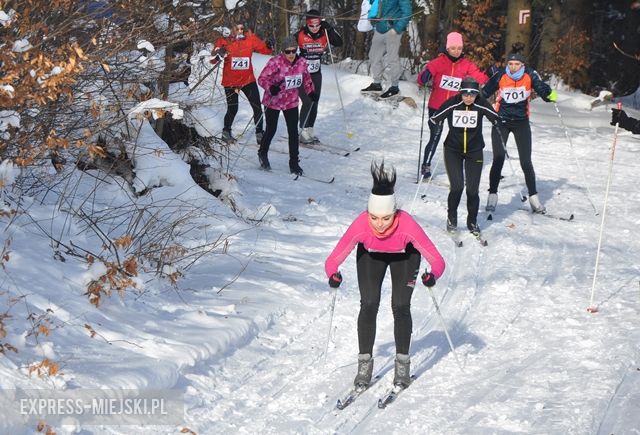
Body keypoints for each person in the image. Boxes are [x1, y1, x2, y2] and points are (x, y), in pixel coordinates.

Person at [324, 161, 446, 389]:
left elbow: (437, 260)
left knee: (400, 306)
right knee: (369, 303)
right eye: (374, 218)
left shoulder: (407, 225)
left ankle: (402, 365)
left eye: (386, 218)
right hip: (371, 256)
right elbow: (332, 259)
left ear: (394, 213)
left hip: (405, 257)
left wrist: (433, 275)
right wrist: (333, 274)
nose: (379, 224)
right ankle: (364, 364)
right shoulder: (361, 225)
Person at [480, 43, 557, 214]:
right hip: (501, 122)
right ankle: (492, 195)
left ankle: (534, 198)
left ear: (523, 65)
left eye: (517, 64)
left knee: (525, 162)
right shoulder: (501, 75)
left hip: (521, 122)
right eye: (510, 64)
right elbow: (484, 92)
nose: (513, 67)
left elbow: (541, 89)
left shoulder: (530, 75)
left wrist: (549, 94)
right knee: (498, 158)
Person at [429, 77, 499, 236]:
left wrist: (498, 122)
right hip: (453, 150)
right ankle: (451, 219)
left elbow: (494, 117)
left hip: (474, 151)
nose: (468, 97)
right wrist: (437, 123)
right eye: (465, 94)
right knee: (457, 186)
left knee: (473, 190)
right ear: (460, 93)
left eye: (472, 94)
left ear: (477, 94)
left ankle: (472, 221)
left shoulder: (480, 103)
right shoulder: (453, 103)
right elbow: (435, 118)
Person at [416, 32, 489, 179]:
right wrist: (425, 76)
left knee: (459, 136)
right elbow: (421, 80)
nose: (456, 51)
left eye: (459, 48)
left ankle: (458, 163)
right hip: (437, 106)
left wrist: (490, 76)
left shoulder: (466, 64)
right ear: (447, 48)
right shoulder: (438, 62)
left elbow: (480, 77)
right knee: (435, 136)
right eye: (453, 48)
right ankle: (426, 165)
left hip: (456, 106)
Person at [257, 36, 317, 175]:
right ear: (283, 51)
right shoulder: (275, 62)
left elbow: (306, 79)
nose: (290, 54)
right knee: (271, 129)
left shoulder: (301, 62)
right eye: (287, 51)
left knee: (293, 132)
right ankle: (262, 152)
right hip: (273, 101)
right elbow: (262, 79)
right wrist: (270, 87)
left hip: (291, 101)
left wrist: (311, 92)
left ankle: (294, 163)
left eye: (293, 51)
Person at [211, 22, 273, 144]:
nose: (240, 31)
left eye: (242, 29)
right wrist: (219, 53)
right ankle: (226, 132)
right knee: (233, 108)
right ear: (231, 29)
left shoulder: (250, 38)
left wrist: (269, 45)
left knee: (257, 107)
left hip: (247, 80)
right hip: (231, 81)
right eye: (237, 28)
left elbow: (265, 50)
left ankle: (260, 133)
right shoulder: (224, 41)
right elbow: (212, 60)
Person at [296, 9, 343, 144]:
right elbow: (287, 48)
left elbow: (339, 43)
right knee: (308, 101)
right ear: (307, 24)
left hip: (316, 74)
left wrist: (330, 29)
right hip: (302, 75)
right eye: (312, 26)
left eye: (317, 25)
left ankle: (309, 130)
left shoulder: (324, 33)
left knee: (314, 102)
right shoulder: (300, 34)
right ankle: (302, 130)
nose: (315, 28)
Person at [360, 0, 412, 98]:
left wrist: (397, 29)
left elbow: (407, 13)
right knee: (374, 56)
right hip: (380, 27)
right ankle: (376, 84)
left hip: (393, 28)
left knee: (392, 58)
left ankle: (394, 87)